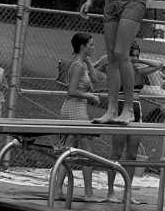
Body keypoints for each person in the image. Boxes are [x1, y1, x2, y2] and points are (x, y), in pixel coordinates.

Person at [107, 40, 163, 204]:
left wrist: (139, 60)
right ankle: (110, 192)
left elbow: (158, 64)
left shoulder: (138, 71)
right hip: (120, 108)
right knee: (116, 153)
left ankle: (127, 193)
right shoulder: (117, 70)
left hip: (136, 110)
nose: (134, 58)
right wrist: (124, 59)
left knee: (132, 155)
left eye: (137, 55)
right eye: (131, 55)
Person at [54, 32, 106, 203]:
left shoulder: (80, 62)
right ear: (82, 46)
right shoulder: (77, 66)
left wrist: (89, 60)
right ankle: (89, 193)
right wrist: (90, 96)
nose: (94, 47)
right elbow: (71, 91)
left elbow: (96, 78)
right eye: (91, 44)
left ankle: (57, 190)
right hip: (76, 110)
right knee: (88, 153)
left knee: (67, 151)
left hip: (71, 109)